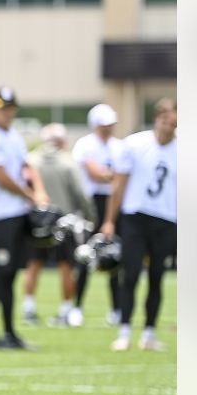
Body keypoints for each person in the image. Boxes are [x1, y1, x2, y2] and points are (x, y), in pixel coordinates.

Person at [0, 87, 47, 351]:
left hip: (16, 214)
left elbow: (26, 167)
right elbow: (0, 175)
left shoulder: (14, 136)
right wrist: (30, 194)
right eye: (1, 108)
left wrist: (39, 192)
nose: (6, 113)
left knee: (10, 274)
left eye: (10, 108)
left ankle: (10, 333)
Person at [103, 98, 177, 352]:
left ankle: (149, 333)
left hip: (167, 219)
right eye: (166, 121)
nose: (169, 127)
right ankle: (124, 331)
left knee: (157, 277)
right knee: (130, 274)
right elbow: (118, 184)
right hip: (136, 216)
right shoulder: (135, 144)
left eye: (174, 123)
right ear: (157, 118)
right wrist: (110, 220)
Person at [22, 123, 94, 327]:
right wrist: (89, 217)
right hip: (64, 220)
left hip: (37, 220)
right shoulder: (68, 162)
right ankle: (65, 311)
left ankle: (28, 309)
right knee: (66, 266)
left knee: (33, 265)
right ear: (61, 141)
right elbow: (81, 194)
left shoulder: (31, 159)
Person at [72, 103, 126, 326]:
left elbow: (119, 179)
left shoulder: (120, 146)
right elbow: (96, 174)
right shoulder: (85, 145)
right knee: (86, 256)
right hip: (91, 206)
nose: (109, 128)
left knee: (114, 257)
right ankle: (76, 307)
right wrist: (114, 176)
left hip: (114, 204)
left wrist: (113, 178)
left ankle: (116, 309)